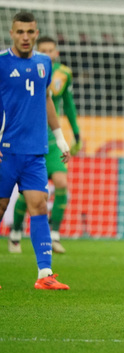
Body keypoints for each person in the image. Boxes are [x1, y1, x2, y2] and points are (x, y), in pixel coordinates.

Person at [0, 12, 71, 290]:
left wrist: (60, 138)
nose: (26, 37)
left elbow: (47, 99)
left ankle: (45, 275)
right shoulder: (2, 63)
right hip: (6, 152)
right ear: (12, 33)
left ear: (37, 32)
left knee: (39, 205)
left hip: (35, 152)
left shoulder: (44, 63)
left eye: (30, 32)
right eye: (20, 32)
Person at [9, 36, 82, 255]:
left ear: (56, 53)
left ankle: (55, 234)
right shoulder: (24, 69)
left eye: (51, 50)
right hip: (30, 137)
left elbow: (67, 105)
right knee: (30, 193)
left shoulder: (63, 74)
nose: (48, 53)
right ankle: (15, 231)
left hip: (52, 138)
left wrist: (76, 134)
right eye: (44, 50)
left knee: (61, 181)